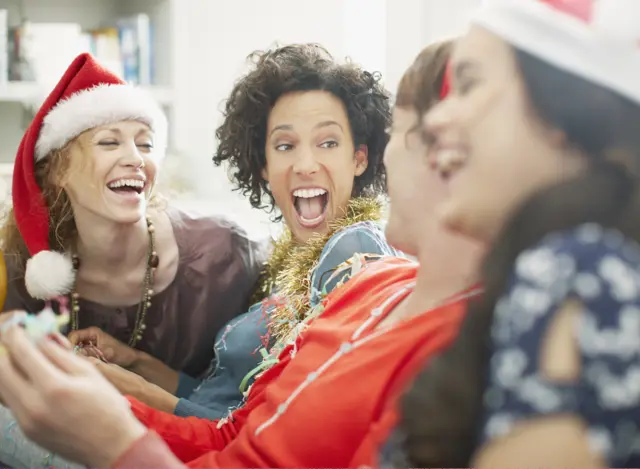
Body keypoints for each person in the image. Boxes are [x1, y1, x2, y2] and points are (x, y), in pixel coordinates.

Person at [0, 40, 486, 468]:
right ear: (262, 164)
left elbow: (242, 429)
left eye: (329, 142)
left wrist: (118, 389)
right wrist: (134, 363)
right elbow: (230, 402)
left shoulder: (354, 256)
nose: (305, 163)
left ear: (361, 158)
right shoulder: (282, 264)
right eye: (285, 145)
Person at [387, 0, 640, 467]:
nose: (439, 119)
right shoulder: (552, 268)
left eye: (469, 84)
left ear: (561, 111)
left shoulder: (581, 271)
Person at [0, 53, 263, 468]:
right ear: (57, 172)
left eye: (145, 143)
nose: (136, 158)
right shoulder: (24, 265)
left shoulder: (226, 256)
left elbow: (247, 408)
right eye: (110, 141)